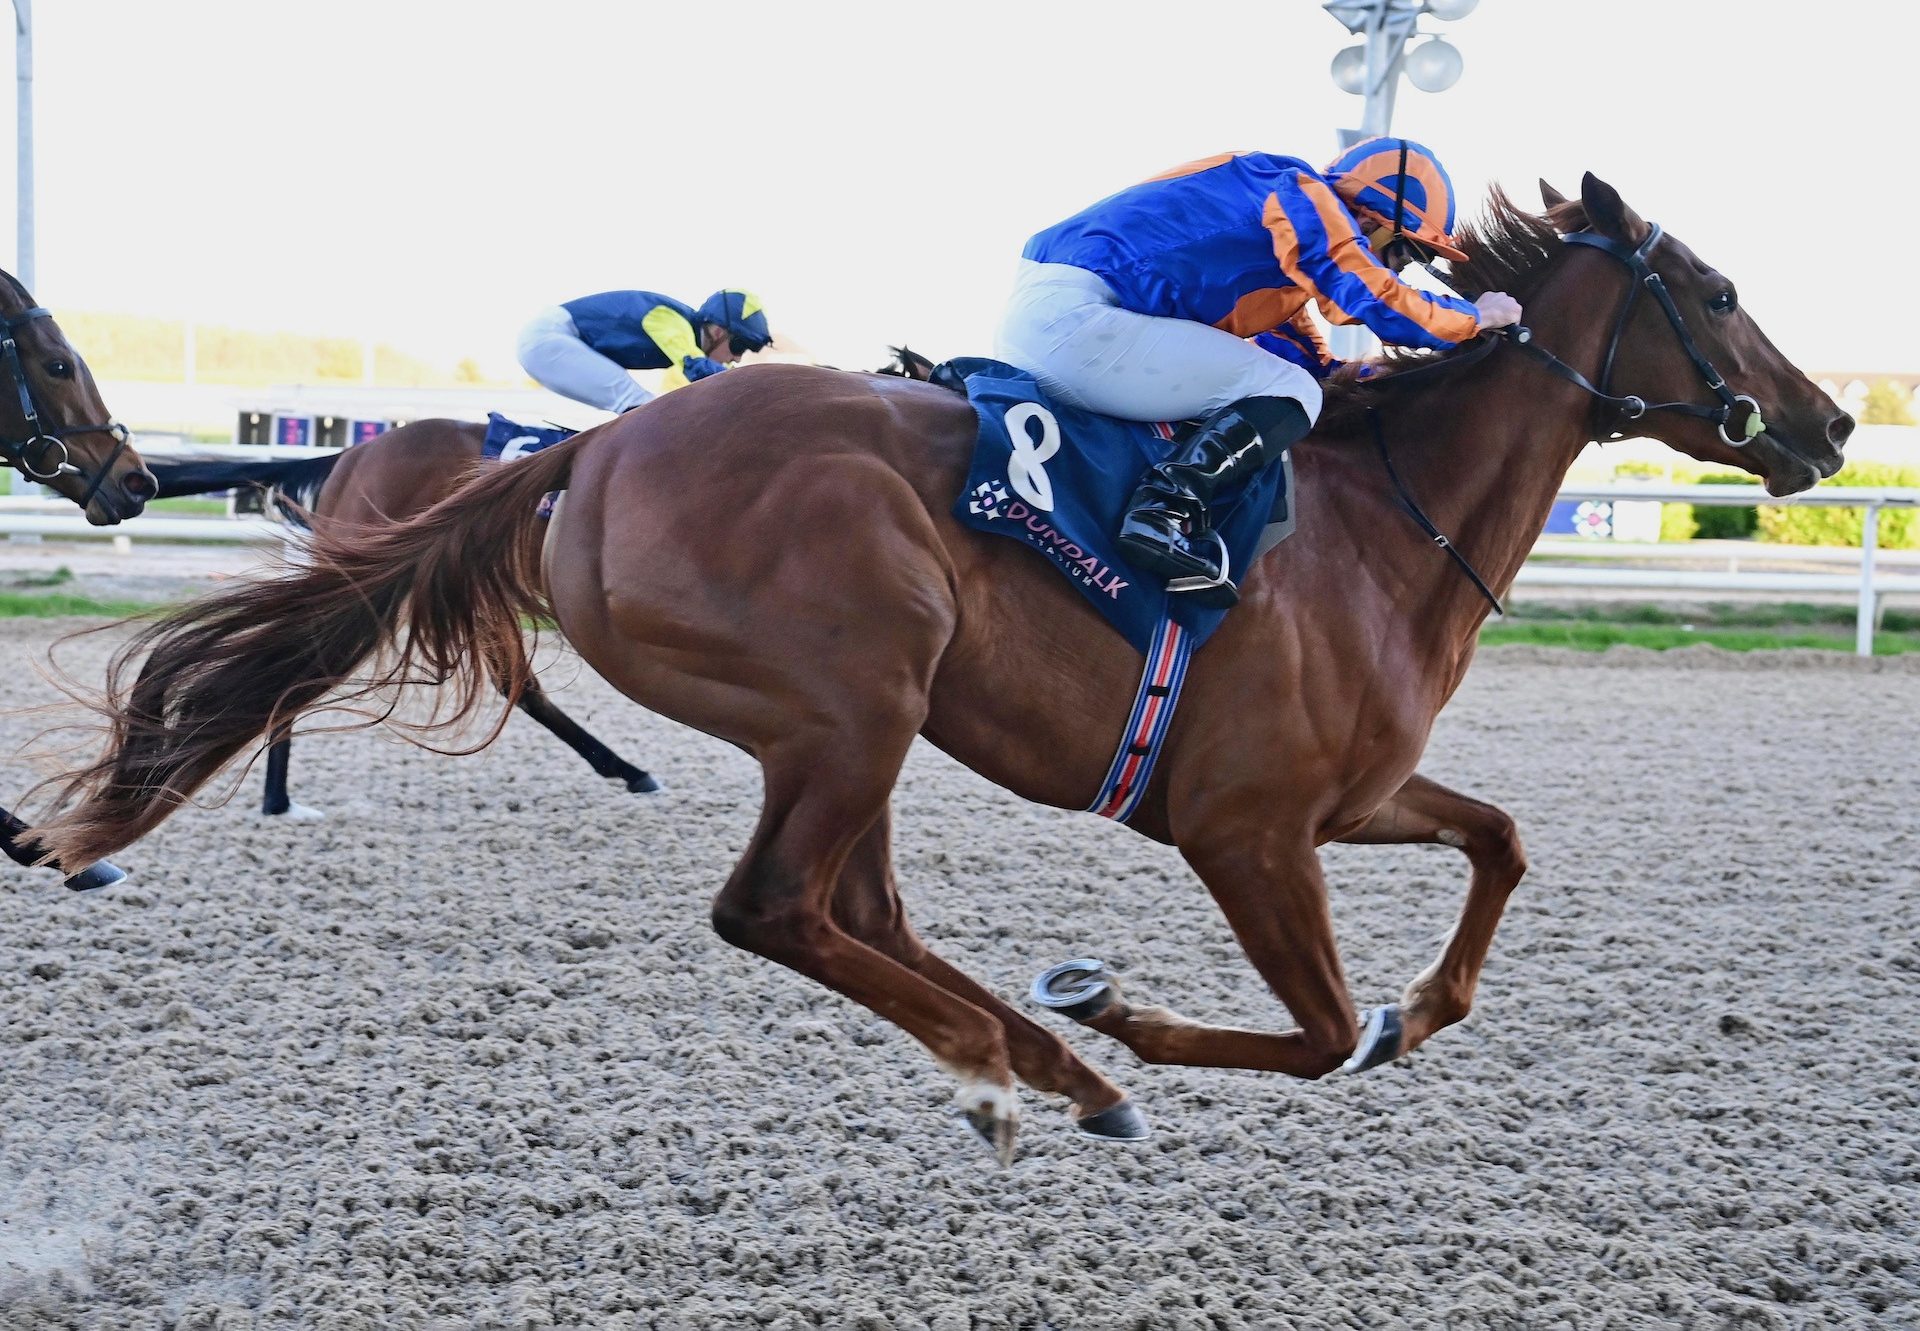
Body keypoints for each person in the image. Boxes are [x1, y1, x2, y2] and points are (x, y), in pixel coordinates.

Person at [995, 138, 1523, 603]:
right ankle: (1162, 513)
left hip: (1057, 319)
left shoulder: (1281, 239)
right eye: (1403, 253)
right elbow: (1369, 295)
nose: (1398, 268)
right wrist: (1477, 317)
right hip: (1077, 320)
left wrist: (1385, 377)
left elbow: (1308, 365)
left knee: (1288, 385)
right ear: (1370, 220)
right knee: (1288, 391)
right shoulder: (1301, 193)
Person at [516, 289, 773, 414]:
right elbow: (695, 368)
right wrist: (760, 388)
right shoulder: (671, 320)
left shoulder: (683, 324)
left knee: (639, 405)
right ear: (718, 330)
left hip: (554, 341)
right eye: (739, 346)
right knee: (644, 407)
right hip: (547, 338)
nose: (738, 358)